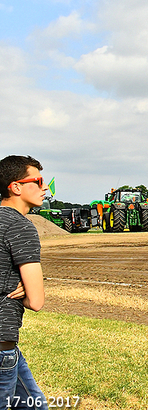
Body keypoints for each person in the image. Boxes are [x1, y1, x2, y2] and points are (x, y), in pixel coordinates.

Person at [0, 155, 48, 410]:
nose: (45, 188)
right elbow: (36, 300)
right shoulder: (21, 227)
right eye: (38, 181)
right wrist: (25, 290)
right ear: (15, 187)